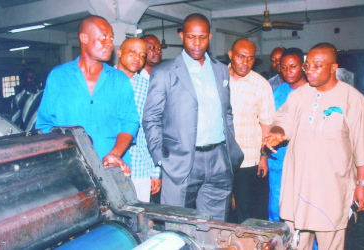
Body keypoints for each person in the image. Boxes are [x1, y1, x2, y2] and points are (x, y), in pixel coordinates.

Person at [263, 43, 364, 250]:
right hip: (300, 186)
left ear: (333, 67)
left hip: (332, 189)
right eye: (307, 66)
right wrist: (277, 132)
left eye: (317, 66)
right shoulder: (298, 95)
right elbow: (283, 118)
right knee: (297, 244)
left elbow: (363, 146)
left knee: (330, 244)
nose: (310, 71)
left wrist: (363, 185)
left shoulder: (353, 100)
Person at [142, 13, 244, 222]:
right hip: (180, 162)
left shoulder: (221, 70)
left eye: (202, 37)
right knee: (176, 226)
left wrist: (228, 146)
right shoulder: (164, 71)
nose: (197, 43)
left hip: (219, 159)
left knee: (215, 227)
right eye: (191, 37)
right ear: (181, 36)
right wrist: (161, 158)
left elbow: (227, 112)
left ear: (210, 36)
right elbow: (151, 118)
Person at [36, 15, 139, 178]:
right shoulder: (58, 77)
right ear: (83, 38)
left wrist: (115, 153)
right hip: (70, 171)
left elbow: (129, 122)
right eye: (103, 37)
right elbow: (45, 124)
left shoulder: (119, 79)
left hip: (112, 170)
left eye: (111, 38)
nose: (110, 43)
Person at [227, 38, 275, 223]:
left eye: (250, 58)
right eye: (240, 57)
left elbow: (266, 124)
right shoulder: (218, 78)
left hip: (248, 160)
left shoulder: (261, 84)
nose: (245, 63)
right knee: (220, 210)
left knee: (245, 211)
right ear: (230, 55)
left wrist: (264, 157)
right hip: (219, 160)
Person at [116, 37, 162, 202]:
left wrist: (156, 172)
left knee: (139, 223)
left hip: (140, 168)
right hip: (108, 167)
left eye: (142, 55)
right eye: (132, 52)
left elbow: (155, 130)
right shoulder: (103, 81)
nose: (138, 58)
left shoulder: (148, 87)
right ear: (119, 53)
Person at [267, 47, 307, 222]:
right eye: (283, 67)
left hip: (305, 163)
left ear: (303, 66)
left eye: (293, 66)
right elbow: (269, 123)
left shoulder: (313, 92)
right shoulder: (277, 92)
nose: (287, 72)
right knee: (276, 209)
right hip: (278, 161)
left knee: (305, 213)